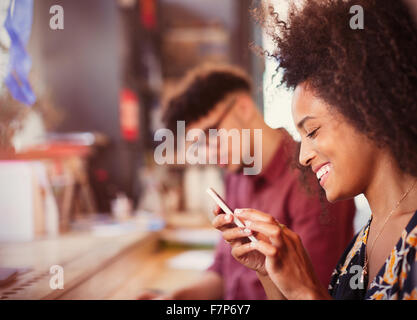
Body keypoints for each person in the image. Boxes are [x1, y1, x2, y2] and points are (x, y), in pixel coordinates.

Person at [213, 0, 417, 299]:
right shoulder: (364, 241)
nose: (303, 156)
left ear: (369, 109)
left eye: (313, 131)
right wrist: (270, 273)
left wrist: (306, 292)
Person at [138, 64, 356, 300]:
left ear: (242, 107)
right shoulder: (235, 175)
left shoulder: (313, 177)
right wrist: (175, 299)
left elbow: (315, 290)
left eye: (211, 133)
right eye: (200, 145)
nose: (209, 153)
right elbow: (222, 272)